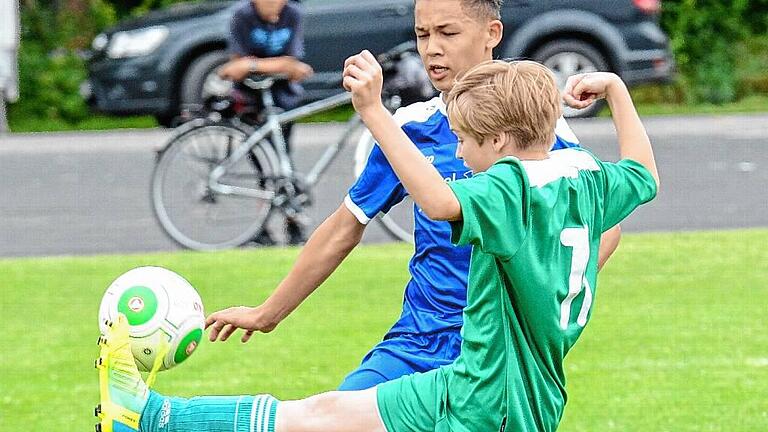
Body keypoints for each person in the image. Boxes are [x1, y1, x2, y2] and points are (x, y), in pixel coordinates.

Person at [95, 58, 658, 432]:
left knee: (319, 419)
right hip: (484, 384)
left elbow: (439, 202)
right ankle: (151, 415)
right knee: (320, 416)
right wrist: (615, 90)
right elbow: (644, 174)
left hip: (491, 402)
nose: (458, 155)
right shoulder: (585, 178)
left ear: (501, 141)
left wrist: (374, 114)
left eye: (463, 142)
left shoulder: (510, 187)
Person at [204, 0, 622, 394]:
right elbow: (345, 227)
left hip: (495, 351)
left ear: (491, 32)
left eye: (447, 33)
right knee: (331, 414)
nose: (432, 49)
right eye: (423, 35)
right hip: (416, 341)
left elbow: (604, 227)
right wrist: (267, 313)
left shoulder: (535, 126)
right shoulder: (411, 129)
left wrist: (536, 313)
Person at [218, 0, 314, 245]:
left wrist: (252, 64)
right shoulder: (242, 15)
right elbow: (234, 65)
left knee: (284, 164)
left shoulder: (292, 14)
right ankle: (262, 228)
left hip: (282, 98)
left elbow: (292, 64)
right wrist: (276, 65)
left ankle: (292, 223)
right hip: (250, 99)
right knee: (263, 168)